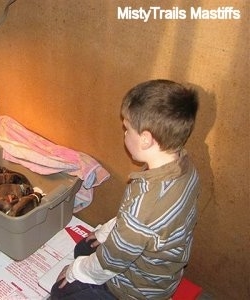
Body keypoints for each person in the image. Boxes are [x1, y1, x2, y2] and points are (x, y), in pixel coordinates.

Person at [50, 79, 200, 300]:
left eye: (127, 128)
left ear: (146, 139)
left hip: (134, 290)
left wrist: (74, 272)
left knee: (59, 291)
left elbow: (113, 260)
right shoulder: (185, 166)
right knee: (83, 249)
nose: (124, 134)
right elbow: (137, 224)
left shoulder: (145, 203)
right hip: (161, 273)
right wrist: (104, 233)